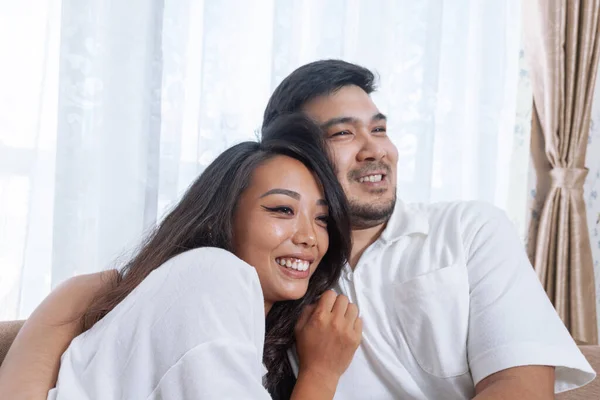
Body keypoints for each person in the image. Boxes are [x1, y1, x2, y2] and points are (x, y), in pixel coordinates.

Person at [2, 60, 597, 399]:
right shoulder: (239, 280)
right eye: (342, 134)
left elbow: (522, 382)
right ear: (299, 151)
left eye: (380, 128)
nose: (374, 150)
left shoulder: (466, 230)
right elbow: (91, 309)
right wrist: (319, 373)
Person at [0, 114, 362, 400]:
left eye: (322, 218)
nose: (309, 237)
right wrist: (322, 374)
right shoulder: (214, 273)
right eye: (282, 210)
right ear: (223, 218)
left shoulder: (251, 330)